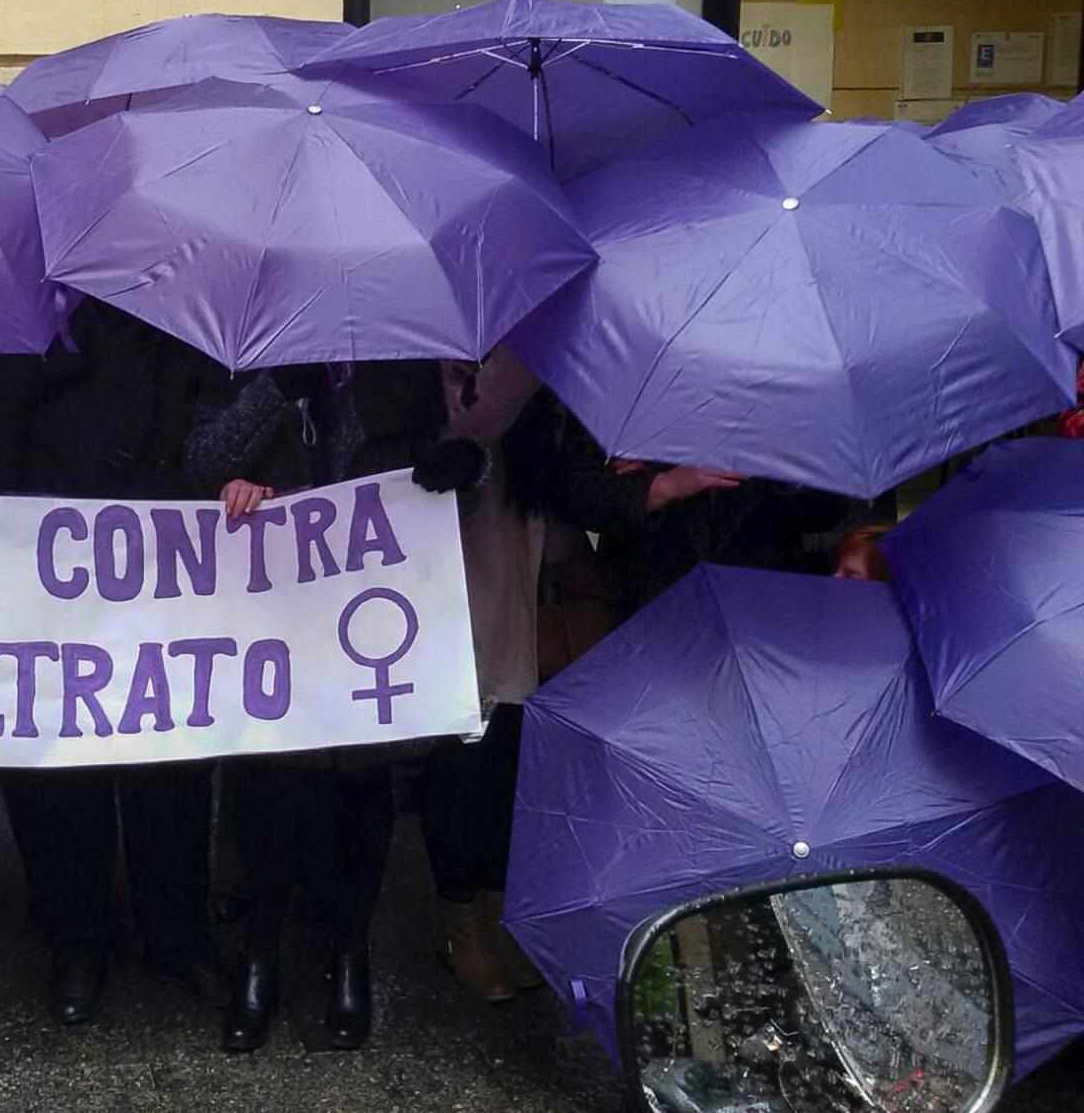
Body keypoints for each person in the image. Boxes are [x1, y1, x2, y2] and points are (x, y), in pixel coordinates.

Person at [182, 358, 480, 1053]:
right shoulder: (240, 354)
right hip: (270, 619)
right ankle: (259, 950)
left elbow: (433, 473)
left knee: (362, 794)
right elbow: (199, 462)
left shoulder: (399, 365)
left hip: (364, 625)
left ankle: (350, 947)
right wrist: (270, 403)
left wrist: (459, 467)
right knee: (268, 790)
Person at [0, 299, 229, 1025]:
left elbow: (203, 409)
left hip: (161, 560)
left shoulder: (181, 298)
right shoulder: (13, 299)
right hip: (41, 563)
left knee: (169, 759)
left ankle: (177, 933)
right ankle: (78, 939)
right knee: (53, 767)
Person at [415, 351, 563, 1004]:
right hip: (433, 556)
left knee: (505, 736)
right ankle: (459, 920)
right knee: (457, 747)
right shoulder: (410, 343)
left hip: (505, 542)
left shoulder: (518, 339)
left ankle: (500, 910)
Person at [554, 414, 854, 622]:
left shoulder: (793, 376)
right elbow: (573, 491)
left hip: (762, 597)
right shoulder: (631, 371)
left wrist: (789, 464)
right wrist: (663, 486)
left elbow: (831, 510)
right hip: (649, 596)